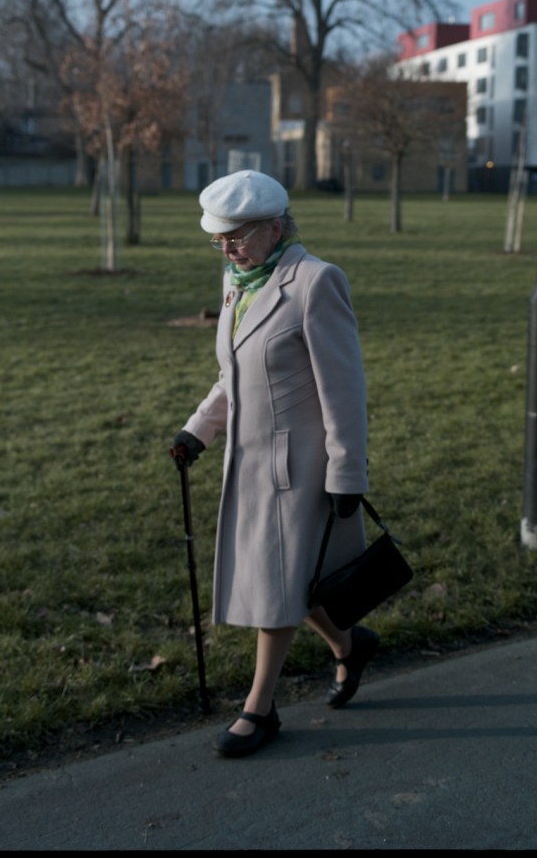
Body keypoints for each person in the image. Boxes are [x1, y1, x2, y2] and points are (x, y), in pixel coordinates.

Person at [172, 169, 378, 758]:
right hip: (249, 460)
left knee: (276, 587)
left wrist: (347, 474)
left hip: (303, 469)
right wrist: (197, 431)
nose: (228, 248)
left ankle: (259, 709)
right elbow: (232, 376)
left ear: (274, 227)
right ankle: (348, 645)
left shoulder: (315, 283)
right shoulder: (239, 281)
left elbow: (344, 391)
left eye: (236, 236)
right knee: (294, 580)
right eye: (220, 239)